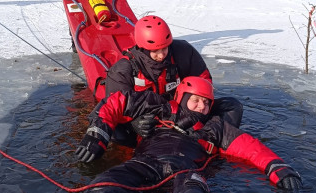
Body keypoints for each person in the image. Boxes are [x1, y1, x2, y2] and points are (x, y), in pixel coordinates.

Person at [74, 77, 302, 193]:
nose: (201, 107)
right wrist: (98, 133)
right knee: (103, 186)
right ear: (182, 98)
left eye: (206, 103)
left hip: (187, 171)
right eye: (195, 100)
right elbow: (118, 101)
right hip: (146, 162)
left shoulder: (216, 127)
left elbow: (250, 147)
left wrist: (277, 167)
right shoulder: (160, 108)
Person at [97, 14, 243, 143]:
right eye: (155, 51)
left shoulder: (184, 53)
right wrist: (133, 123)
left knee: (232, 106)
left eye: (165, 48)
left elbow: (204, 83)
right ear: (142, 48)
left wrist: (189, 111)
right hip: (148, 118)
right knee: (117, 133)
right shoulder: (123, 69)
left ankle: (212, 140)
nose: (161, 55)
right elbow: (114, 105)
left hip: (182, 112)